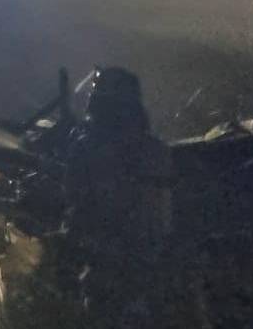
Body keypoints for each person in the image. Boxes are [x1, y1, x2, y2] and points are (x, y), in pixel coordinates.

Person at [60, 66, 180, 326]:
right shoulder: (155, 150)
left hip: (105, 261)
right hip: (146, 262)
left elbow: (76, 202)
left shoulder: (87, 148)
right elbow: (162, 214)